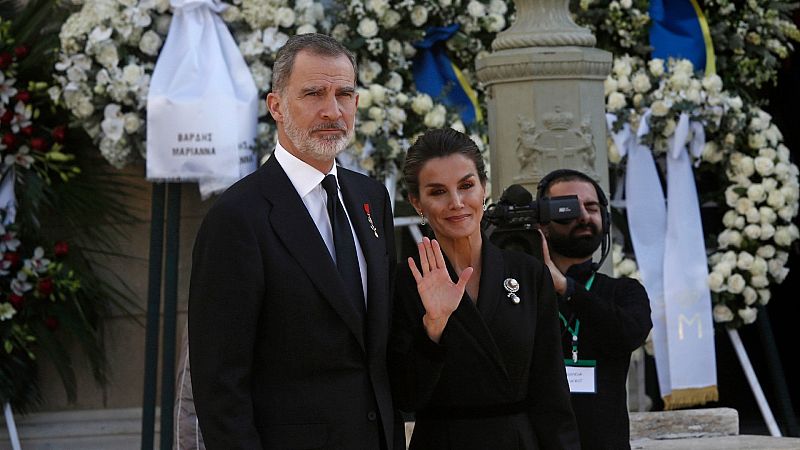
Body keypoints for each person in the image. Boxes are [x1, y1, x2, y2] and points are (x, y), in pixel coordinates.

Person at [188, 33, 402, 449]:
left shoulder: (371, 198)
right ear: (276, 106)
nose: (332, 110)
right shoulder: (237, 218)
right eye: (313, 94)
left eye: (344, 93)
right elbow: (220, 386)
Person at [389, 128, 581, 449]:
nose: (456, 202)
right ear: (416, 203)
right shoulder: (406, 282)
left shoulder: (528, 273)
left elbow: (552, 394)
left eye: (466, 186)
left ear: (484, 188)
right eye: (438, 192)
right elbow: (406, 397)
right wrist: (433, 328)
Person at [537, 169, 652, 450]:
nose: (584, 216)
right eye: (568, 208)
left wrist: (567, 288)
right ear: (543, 224)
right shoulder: (523, 294)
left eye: (592, 207)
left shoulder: (624, 291)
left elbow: (627, 333)